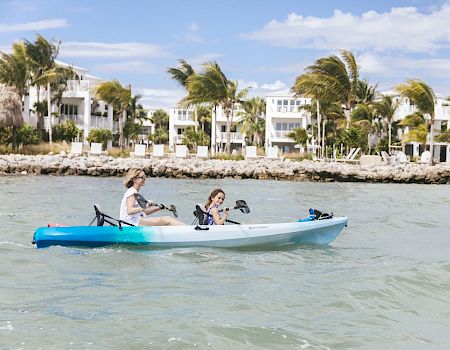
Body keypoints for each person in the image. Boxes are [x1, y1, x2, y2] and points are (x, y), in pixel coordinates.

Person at [120, 168, 185, 226]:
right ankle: (190, 230)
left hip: (134, 222)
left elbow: (144, 213)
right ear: (134, 180)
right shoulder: (132, 192)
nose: (144, 179)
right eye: (142, 177)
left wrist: (160, 207)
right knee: (168, 220)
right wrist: (145, 206)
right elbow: (129, 211)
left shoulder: (134, 192)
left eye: (145, 177)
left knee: (167, 220)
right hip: (130, 224)